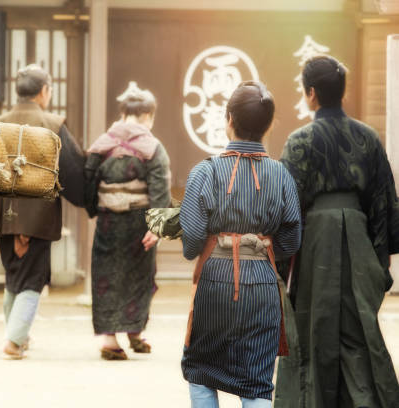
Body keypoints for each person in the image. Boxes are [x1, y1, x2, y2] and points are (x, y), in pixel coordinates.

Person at [275, 55, 399, 408]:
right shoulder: (367, 137)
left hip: (315, 244)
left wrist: (282, 268)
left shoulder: (300, 141)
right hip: (358, 242)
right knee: (359, 332)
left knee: (314, 328)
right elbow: (382, 202)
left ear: (311, 94)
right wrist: (380, 266)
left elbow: (289, 206)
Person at [179, 81, 302, 407]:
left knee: (202, 370)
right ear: (270, 124)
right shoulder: (281, 175)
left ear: (228, 118)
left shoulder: (204, 173)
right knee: (258, 381)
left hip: (215, 281)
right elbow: (290, 241)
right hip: (263, 283)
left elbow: (191, 243)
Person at [0, 64, 85, 359]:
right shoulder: (53, 124)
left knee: (16, 274)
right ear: (44, 92)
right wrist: (87, 199)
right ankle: (14, 341)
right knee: (32, 278)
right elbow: (73, 169)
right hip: (39, 213)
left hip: (5, 211)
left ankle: (19, 336)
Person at [84, 81, 171, 360]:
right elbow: (161, 189)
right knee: (139, 277)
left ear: (122, 115)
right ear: (148, 116)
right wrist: (157, 228)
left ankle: (110, 339)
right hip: (140, 221)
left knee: (106, 277)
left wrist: (95, 209)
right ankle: (134, 331)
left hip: (109, 221)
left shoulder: (101, 144)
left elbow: (88, 181)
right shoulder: (153, 147)